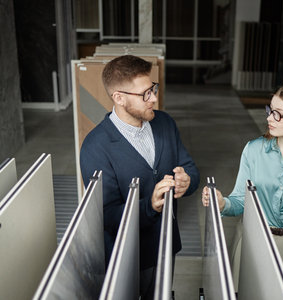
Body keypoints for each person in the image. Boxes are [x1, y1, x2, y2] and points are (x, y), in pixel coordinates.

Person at [80, 55, 199, 299]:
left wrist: (188, 181)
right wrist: (149, 206)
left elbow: (190, 168)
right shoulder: (95, 147)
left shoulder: (165, 123)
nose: (154, 98)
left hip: (166, 246)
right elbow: (107, 214)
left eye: (153, 89)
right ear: (119, 98)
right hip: (127, 256)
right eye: (145, 94)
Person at [201, 82, 283, 286]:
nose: (269, 118)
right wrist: (222, 204)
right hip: (251, 241)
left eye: (278, 114)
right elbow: (240, 200)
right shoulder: (254, 150)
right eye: (270, 111)